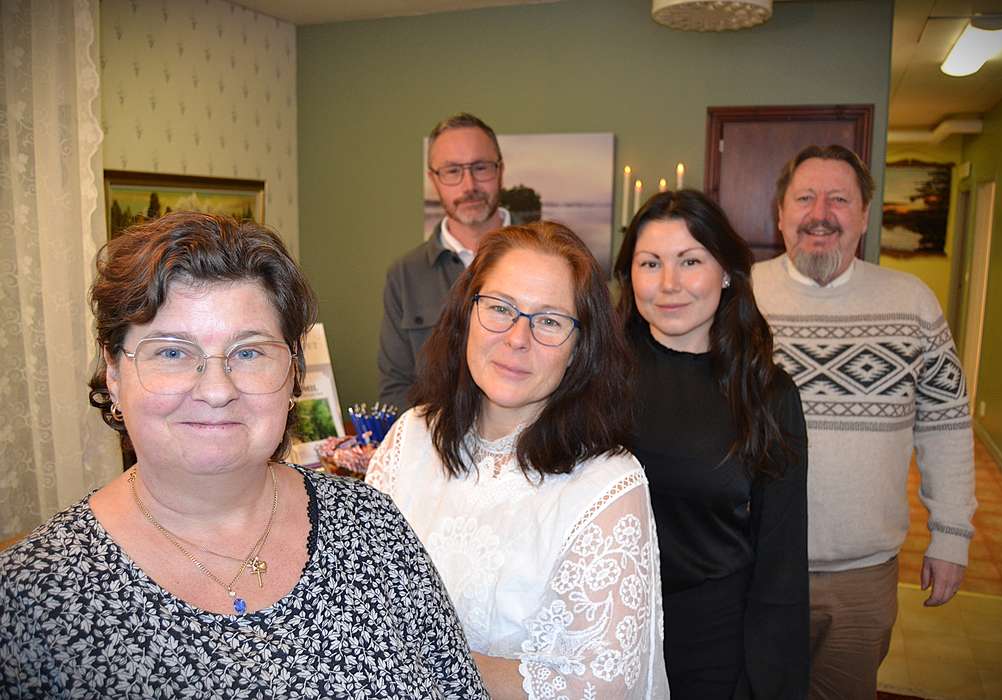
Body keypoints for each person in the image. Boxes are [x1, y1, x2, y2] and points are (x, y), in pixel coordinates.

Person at [0, 212, 486, 698]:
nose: (216, 391)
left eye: (249, 352)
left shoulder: (373, 527)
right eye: (172, 352)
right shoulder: (31, 597)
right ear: (113, 372)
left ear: (293, 372)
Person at [366, 221, 669, 699]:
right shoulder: (411, 439)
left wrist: (418, 659)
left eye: (549, 321)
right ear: (467, 314)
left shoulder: (608, 486)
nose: (516, 338)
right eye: (500, 308)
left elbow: (598, 684)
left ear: (579, 347)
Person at [752, 145, 977, 700]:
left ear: (864, 215)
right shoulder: (737, 299)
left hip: (862, 576)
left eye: (839, 199)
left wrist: (951, 535)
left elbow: (946, 424)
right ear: (780, 213)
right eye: (805, 198)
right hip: (752, 567)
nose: (820, 214)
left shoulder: (912, 303)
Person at [614, 190, 809, 698]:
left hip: (711, 641)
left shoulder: (767, 393)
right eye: (650, 263)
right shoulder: (596, 378)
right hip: (604, 627)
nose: (669, 283)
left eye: (690, 261)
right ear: (629, 275)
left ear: (725, 272)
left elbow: (781, 558)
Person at [378, 112, 511, 410]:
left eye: (480, 167)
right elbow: (395, 388)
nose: (469, 185)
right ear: (433, 180)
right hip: (436, 437)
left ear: (500, 170)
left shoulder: (550, 264)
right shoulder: (404, 275)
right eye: (452, 171)